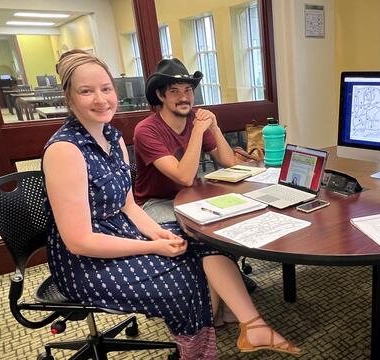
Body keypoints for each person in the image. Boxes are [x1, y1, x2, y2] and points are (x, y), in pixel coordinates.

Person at [42, 49, 299, 358]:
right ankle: (199, 348)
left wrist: (159, 235)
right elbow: (80, 242)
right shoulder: (65, 151)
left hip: (124, 229)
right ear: (69, 98)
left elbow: (128, 206)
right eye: (87, 91)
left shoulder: (112, 137)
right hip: (85, 262)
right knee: (187, 285)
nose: (100, 99)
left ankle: (254, 326)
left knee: (207, 245)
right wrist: (153, 246)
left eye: (106, 89)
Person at [133, 58, 236, 224]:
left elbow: (230, 162)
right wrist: (197, 130)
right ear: (160, 95)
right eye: (174, 91)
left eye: (188, 90)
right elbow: (184, 177)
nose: (183, 97)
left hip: (190, 196)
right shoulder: (146, 130)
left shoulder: (195, 119)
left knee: (230, 220)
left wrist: (215, 128)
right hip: (155, 203)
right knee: (193, 234)